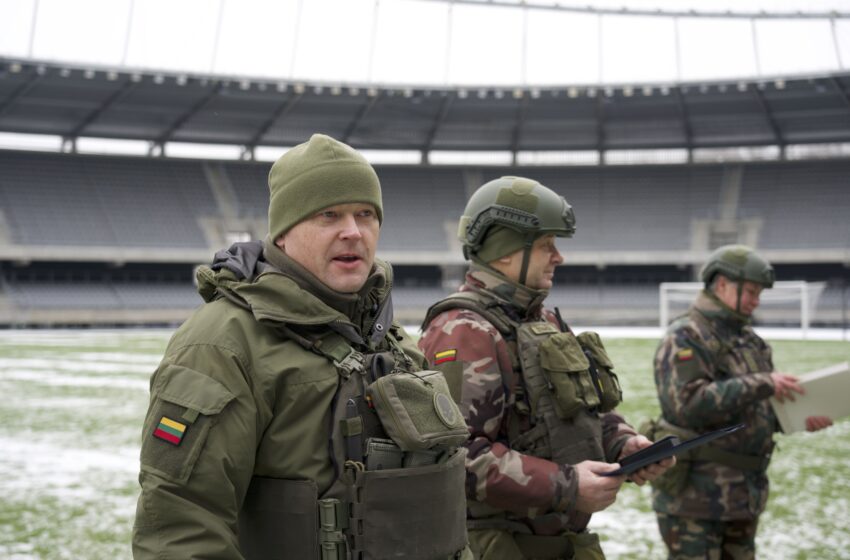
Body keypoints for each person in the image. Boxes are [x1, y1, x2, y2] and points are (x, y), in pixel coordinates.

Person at [132, 133, 472, 560]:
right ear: (285, 233)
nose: (353, 232)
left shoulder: (390, 340)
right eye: (329, 215)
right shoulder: (223, 345)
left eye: (365, 214)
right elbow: (181, 526)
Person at [418, 176, 674, 560]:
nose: (559, 256)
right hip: (501, 547)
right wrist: (567, 485)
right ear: (505, 251)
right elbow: (455, 457)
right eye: (545, 245)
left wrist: (624, 443)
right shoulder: (463, 331)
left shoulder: (544, 322)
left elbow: (581, 412)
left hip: (559, 543)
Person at [649, 244, 833, 559]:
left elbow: (756, 410)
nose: (756, 300)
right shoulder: (686, 336)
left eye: (759, 293)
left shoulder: (751, 342)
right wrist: (763, 382)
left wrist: (799, 418)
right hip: (696, 498)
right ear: (722, 284)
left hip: (743, 496)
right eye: (750, 291)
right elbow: (687, 404)